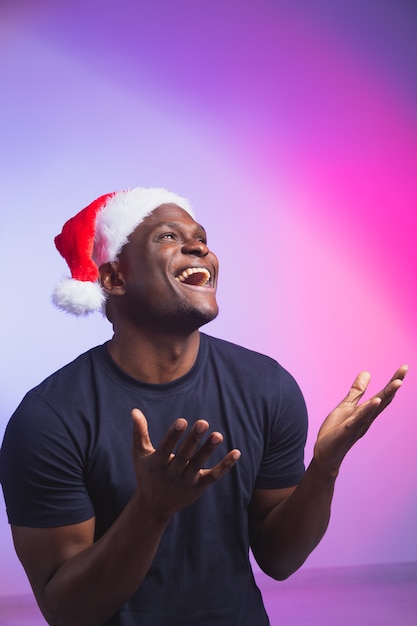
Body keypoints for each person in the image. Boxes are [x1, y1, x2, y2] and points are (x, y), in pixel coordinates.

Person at [0, 186, 407, 626]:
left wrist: (324, 470)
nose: (199, 247)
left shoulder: (266, 387)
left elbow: (280, 558)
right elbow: (68, 611)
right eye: (167, 237)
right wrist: (152, 510)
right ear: (114, 278)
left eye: (201, 237)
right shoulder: (48, 419)